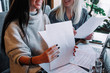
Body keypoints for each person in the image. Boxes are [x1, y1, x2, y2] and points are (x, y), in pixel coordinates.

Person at [1, 0, 60, 73]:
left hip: (47, 67)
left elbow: (52, 42)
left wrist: (67, 46)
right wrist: (40, 59)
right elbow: (19, 57)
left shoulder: (44, 18)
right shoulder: (13, 26)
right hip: (28, 70)